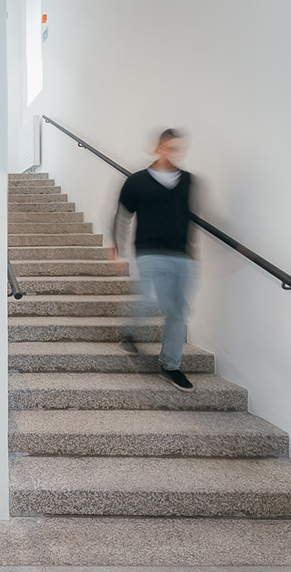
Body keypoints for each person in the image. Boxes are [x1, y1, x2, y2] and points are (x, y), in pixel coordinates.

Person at [112, 128, 197, 392]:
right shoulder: (137, 181)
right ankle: (128, 330)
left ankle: (170, 366)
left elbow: (190, 217)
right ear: (158, 148)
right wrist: (117, 245)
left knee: (177, 312)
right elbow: (123, 215)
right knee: (149, 299)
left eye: (180, 149)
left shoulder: (189, 181)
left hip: (182, 256)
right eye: (171, 148)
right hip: (149, 252)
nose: (176, 154)